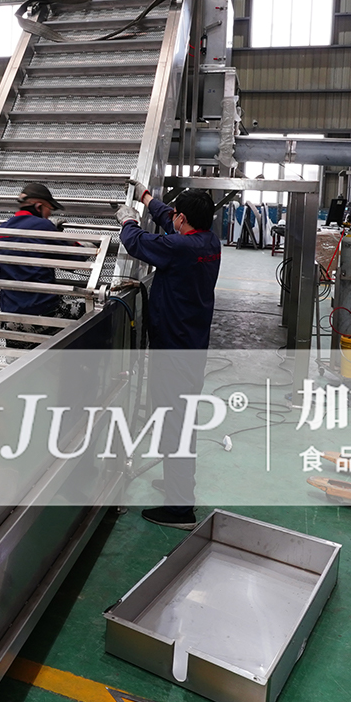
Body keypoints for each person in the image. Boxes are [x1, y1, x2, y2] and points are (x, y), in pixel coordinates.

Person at [117, 185, 222, 529]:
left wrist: (128, 220)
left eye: (177, 214)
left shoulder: (179, 249)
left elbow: (136, 243)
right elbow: (167, 218)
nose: (172, 217)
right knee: (178, 419)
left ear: (184, 219)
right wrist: (146, 197)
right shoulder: (208, 242)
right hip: (191, 345)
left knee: (175, 424)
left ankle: (180, 509)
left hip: (173, 350)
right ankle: (178, 486)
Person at [0, 183, 68, 347]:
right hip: (42, 314)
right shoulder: (42, 226)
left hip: (10, 317)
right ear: (38, 206)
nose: (49, 215)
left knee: (20, 358)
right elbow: (74, 258)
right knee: (89, 312)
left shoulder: (2, 229)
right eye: (49, 209)